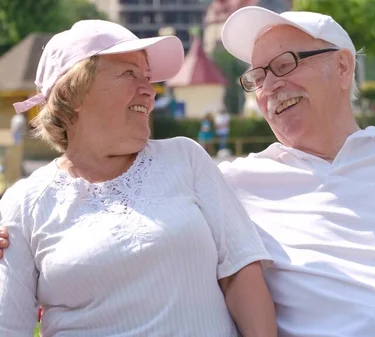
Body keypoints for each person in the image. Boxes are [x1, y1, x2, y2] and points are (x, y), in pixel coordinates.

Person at [2, 7, 375, 337]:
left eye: (284, 64)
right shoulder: (228, 181)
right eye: (257, 77)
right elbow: (112, 214)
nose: (269, 86)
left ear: (342, 68)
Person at [0, 19, 276, 337]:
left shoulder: (185, 158)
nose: (150, 91)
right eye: (129, 73)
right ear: (72, 93)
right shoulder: (25, 202)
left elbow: (241, 272)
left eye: (148, 78)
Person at [6, 110, 26, 185]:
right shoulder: (17, 117)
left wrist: (14, 130)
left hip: (17, 135)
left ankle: (18, 169)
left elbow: (19, 126)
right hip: (15, 135)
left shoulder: (20, 117)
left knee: (17, 153)